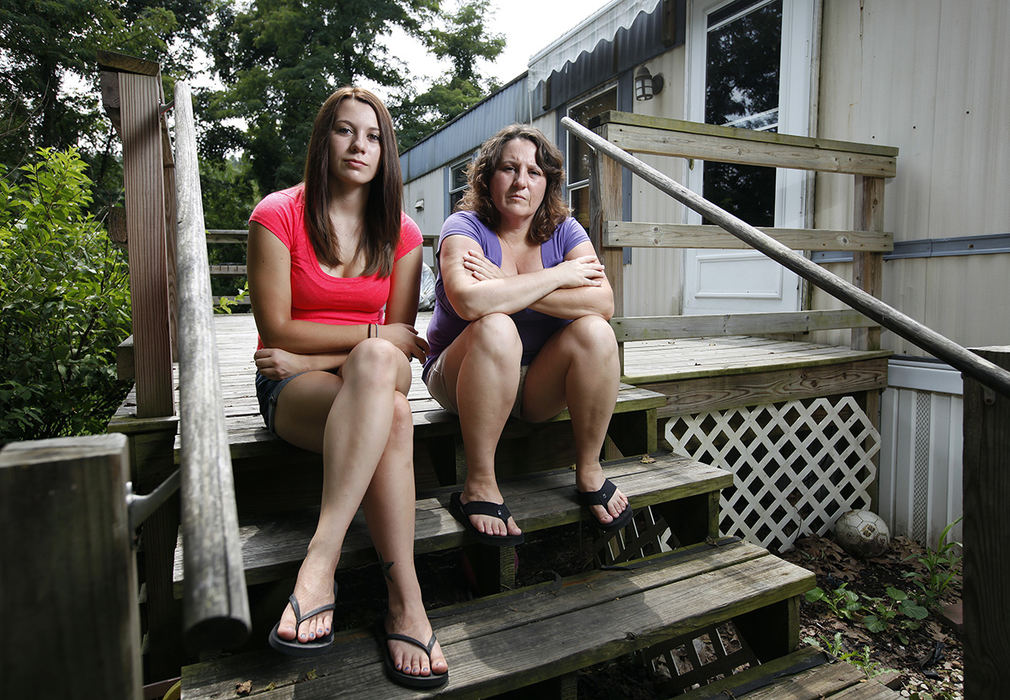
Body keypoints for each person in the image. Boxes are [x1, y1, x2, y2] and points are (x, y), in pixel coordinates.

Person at [247, 86, 448, 689]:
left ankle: (322, 560)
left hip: (328, 370)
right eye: (344, 130)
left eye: (373, 136)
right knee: (392, 410)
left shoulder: (404, 235)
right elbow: (275, 328)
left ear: (386, 151)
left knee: (384, 386)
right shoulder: (277, 215)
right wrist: (368, 338)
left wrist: (356, 347)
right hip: (297, 391)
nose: (358, 145)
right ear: (322, 140)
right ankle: (405, 604)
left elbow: (402, 349)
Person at [422, 124, 631, 547]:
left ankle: (588, 467)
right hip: (461, 376)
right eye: (509, 168)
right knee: (497, 325)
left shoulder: (566, 231)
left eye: (535, 172)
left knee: (595, 332)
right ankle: (479, 481)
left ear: (548, 183)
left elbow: (603, 303)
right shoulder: (463, 227)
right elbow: (470, 303)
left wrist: (508, 284)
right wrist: (557, 278)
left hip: (538, 382)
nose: (522, 181)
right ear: (488, 177)